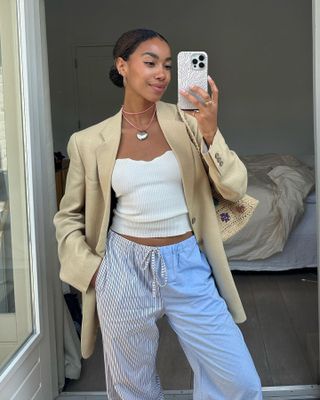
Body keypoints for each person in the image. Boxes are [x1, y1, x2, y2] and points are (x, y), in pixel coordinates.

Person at [54, 28, 262, 400]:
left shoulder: (188, 121)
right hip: (121, 266)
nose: (161, 73)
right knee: (131, 386)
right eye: (150, 63)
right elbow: (68, 216)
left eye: (167, 65)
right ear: (122, 66)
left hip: (186, 262)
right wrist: (94, 270)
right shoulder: (88, 141)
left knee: (239, 381)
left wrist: (211, 133)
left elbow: (234, 188)